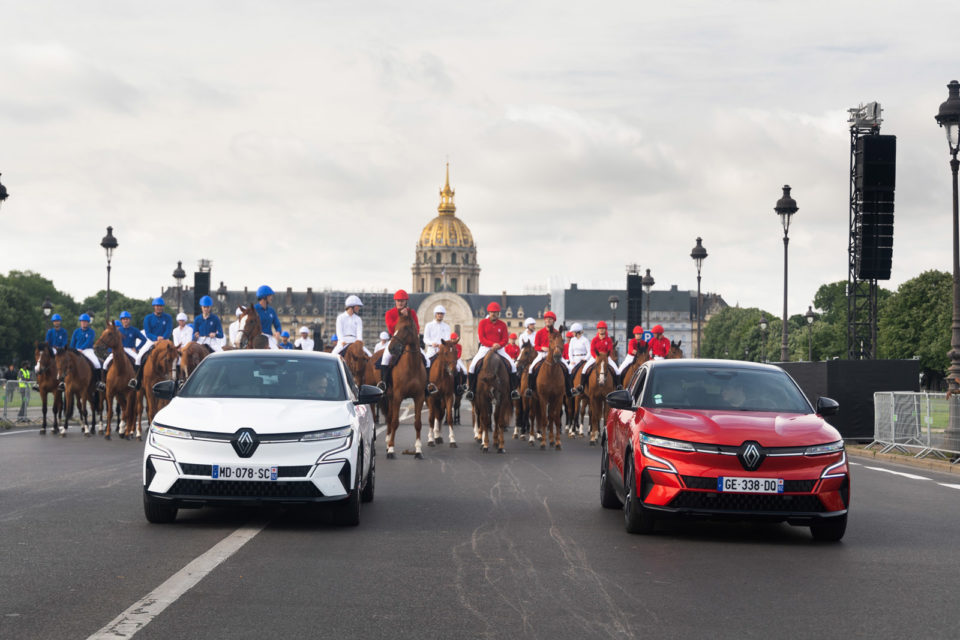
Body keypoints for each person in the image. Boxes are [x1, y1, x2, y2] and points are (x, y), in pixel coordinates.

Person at [465, 302, 520, 401]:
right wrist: (492, 345)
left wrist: (499, 345)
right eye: (491, 312)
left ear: (498, 313)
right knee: (472, 366)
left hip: (500, 348)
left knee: (512, 366)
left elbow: (505, 339)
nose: (493, 314)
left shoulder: (502, 325)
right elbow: (482, 338)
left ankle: (513, 390)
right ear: (488, 313)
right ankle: (471, 390)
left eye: (495, 312)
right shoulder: (482, 323)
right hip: (485, 348)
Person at [378, 289, 424, 391]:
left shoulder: (411, 313)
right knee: (385, 357)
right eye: (398, 301)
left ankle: (427, 384)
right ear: (395, 301)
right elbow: (391, 328)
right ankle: (383, 383)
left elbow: (416, 328)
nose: (400, 303)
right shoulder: (390, 313)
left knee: (427, 360)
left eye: (402, 301)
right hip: (396, 340)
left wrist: (408, 317)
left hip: (410, 341)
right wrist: (401, 317)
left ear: (406, 302)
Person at [525, 311, 574, 398]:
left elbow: (561, 345)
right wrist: (542, 348)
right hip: (542, 354)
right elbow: (536, 346)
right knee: (531, 368)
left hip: (555, 355)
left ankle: (568, 389)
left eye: (550, 319)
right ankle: (530, 389)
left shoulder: (557, 333)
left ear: (553, 321)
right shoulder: (539, 332)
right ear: (545, 321)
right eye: (547, 319)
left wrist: (557, 350)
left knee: (568, 368)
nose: (548, 320)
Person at [103, 311, 146, 388]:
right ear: (121, 320)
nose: (125, 320)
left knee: (138, 361)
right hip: (119, 351)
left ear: (129, 320)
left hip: (130, 349)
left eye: (127, 319)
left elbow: (144, 339)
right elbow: (112, 342)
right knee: (105, 363)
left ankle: (137, 380)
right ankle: (103, 383)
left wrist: (136, 348)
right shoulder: (117, 331)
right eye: (123, 319)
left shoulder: (134, 330)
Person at [574, 321, 616, 393]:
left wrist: (606, 357)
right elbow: (592, 350)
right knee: (584, 369)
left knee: (616, 370)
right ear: (597, 330)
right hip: (596, 357)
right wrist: (595, 357)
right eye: (600, 328)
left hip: (606, 358)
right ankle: (581, 385)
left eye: (603, 328)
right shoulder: (594, 339)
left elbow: (610, 350)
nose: (601, 330)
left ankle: (618, 386)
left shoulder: (608, 340)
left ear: (605, 329)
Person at [422, 305, 452, 395]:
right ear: (435, 314)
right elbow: (425, 339)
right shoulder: (429, 325)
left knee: (455, 367)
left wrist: (442, 345)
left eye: (441, 314)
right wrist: (432, 343)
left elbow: (447, 339)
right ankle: (425, 387)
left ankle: (455, 388)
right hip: (431, 350)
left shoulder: (447, 326)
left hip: (443, 352)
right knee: (425, 364)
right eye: (438, 314)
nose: (440, 315)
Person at [69, 313, 102, 389]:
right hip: (76, 350)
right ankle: (64, 382)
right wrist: (71, 350)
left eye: (85, 321)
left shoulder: (91, 332)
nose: (84, 323)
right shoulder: (76, 331)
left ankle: (98, 382)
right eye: (82, 321)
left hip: (88, 350)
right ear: (80, 322)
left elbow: (89, 342)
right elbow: (72, 342)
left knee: (97, 363)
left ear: (88, 322)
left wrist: (82, 349)